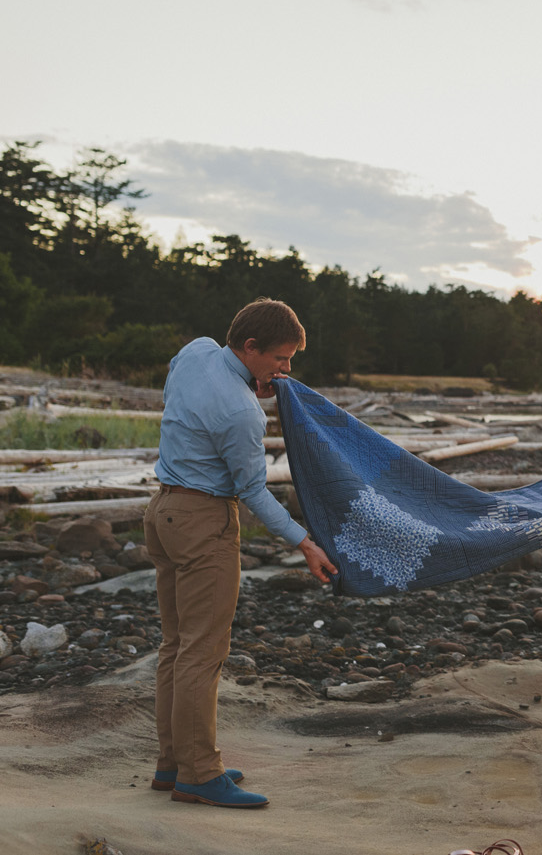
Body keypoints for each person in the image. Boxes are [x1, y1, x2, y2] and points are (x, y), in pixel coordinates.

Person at [145, 298, 338, 808]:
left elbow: (177, 381)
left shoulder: (195, 352)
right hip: (202, 522)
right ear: (250, 347)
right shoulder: (241, 412)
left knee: (175, 645)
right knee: (202, 652)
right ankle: (200, 776)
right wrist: (304, 542)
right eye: (280, 358)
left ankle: (174, 763)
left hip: (161, 511)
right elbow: (252, 493)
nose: (286, 369)